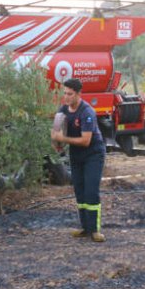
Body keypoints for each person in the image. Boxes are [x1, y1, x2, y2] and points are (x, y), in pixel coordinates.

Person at [51, 78, 107, 242]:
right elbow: (56, 130)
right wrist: (57, 143)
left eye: (70, 94)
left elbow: (85, 140)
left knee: (91, 191)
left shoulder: (87, 112)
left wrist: (63, 138)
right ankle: (84, 227)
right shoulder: (63, 109)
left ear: (78, 94)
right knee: (80, 192)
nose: (66, 97)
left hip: (93, 154)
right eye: (65, 93)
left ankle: (95, 230)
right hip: (76, 155)